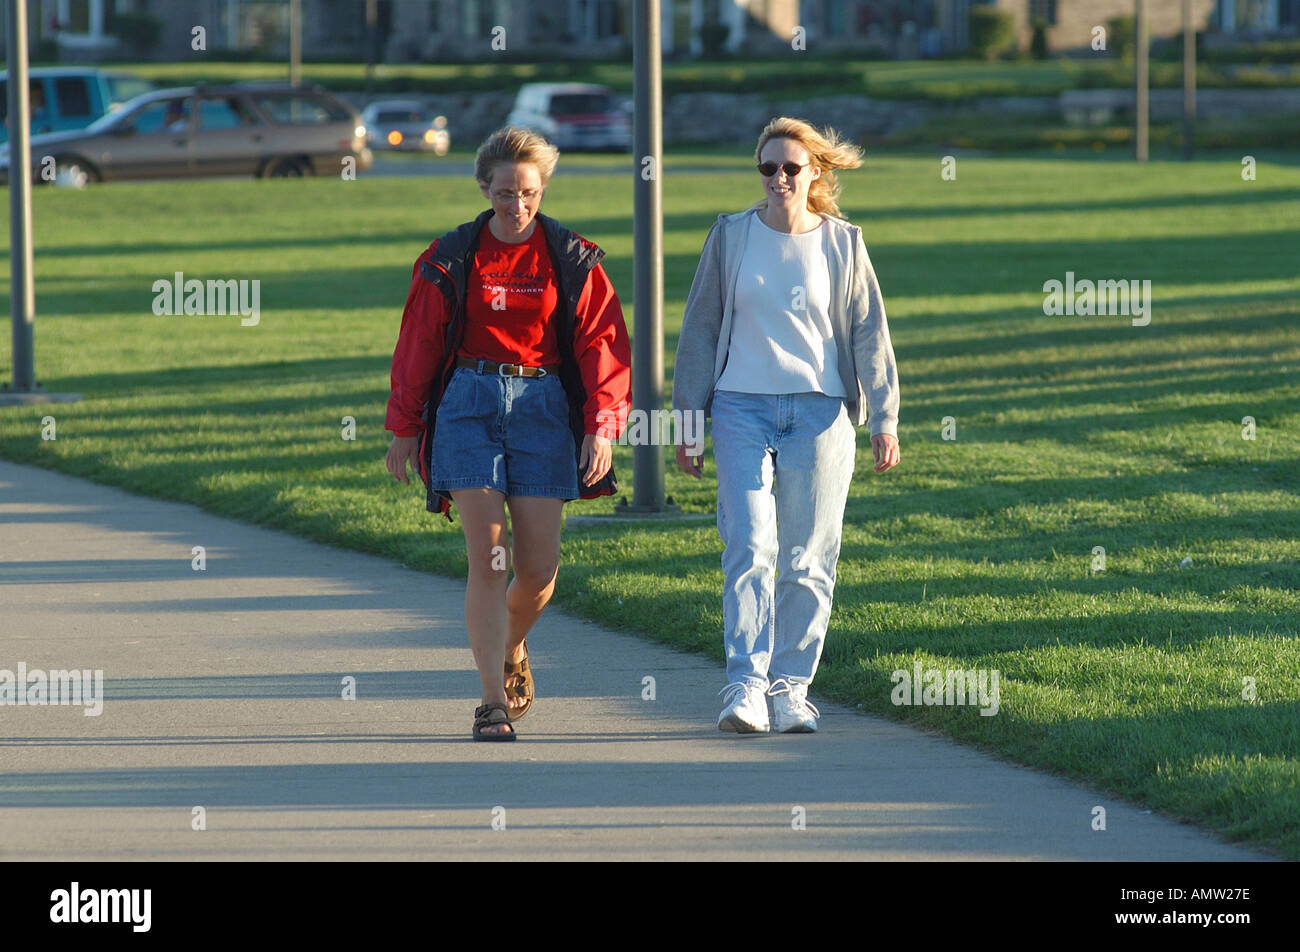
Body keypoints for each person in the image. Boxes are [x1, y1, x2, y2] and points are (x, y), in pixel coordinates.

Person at [385, 127, 631, 741]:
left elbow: (603, 344)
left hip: (543, 406)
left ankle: (508, 644)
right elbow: (416, 343)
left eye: (526, 193)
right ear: (483, 189)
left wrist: (603, 425)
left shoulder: (571, 258)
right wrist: (405, 428)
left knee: (540, 571)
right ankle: (491, 703)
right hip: (468, 404)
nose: (515, 206)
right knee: (489, 562)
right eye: (502, 194)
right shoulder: (453, 255)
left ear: (542, 188)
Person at [672, 116, 900, 734]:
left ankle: (789, 689)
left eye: (790, 168)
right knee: (748, 545)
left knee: (808, 556)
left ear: (814, 173)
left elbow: (867, 331)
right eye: (767, 168)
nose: (777, 178)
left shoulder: (843, 243)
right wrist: (688, 421)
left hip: (821, 411)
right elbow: (698, 330)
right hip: (741, 406)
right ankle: (744, 686)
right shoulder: (731, 236)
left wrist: (884, 416)